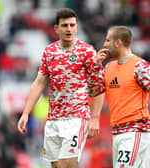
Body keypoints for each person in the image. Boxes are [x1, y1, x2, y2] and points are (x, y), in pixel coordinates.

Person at [17, 8, 105, 168]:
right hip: (54, 119)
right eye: (65, 25)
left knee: (66, 164)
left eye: (72, 25)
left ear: (77, 27)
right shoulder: (49, 52)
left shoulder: (86, 51)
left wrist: (95, 117)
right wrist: (26, 112)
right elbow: (39, 82)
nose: (69, 29)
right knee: (56, 166)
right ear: (56, 29)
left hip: (76, 117)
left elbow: (98, 84)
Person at [92, 26, 150, 168]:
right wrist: (95, 68)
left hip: (134, 130)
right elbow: (93, 91)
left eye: (107, 40)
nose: (104, 45)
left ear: (118, 43)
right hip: (118, 132)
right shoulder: (109, 67)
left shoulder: (139, 66)